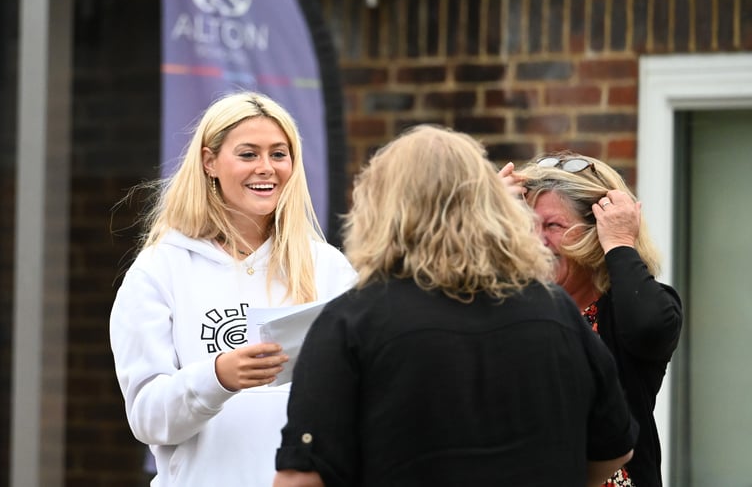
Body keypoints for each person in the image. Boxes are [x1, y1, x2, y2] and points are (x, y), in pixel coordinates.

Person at [273, 125, 638, 487]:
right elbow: (615, 450)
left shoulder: (350, 324)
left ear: (378, 208)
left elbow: (301, 478)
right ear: (491, 206)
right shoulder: (554, 311)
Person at [109, 91, 357, 487]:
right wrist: (219, 376)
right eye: (248, 154)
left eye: (279, 154)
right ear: (210, 162)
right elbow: (148, 418)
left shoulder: (327, 267)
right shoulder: (160, 270)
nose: (266, 168)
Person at [502, 153, 683, 486]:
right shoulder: (506, 306)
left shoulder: (624, 311)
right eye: (527, 227)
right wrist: (479, 227)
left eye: (552, 226)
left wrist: (619, 242)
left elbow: (649, 327)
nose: (537, 241)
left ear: (595, 234)